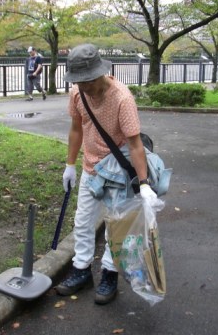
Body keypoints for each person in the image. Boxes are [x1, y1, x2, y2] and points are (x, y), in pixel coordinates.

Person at [55, 43, 157, 305]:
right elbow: (76, 128)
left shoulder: (122, 98)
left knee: (116, 224)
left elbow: (135, 144)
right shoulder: (77, 93)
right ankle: (81, 270)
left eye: (87, 80)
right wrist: (70, 165)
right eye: (79, 81)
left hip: (117, 173)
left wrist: (144, 184)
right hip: (91, 168)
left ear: (100, 72)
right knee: (83, 221)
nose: (84, 86)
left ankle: (110, 274)